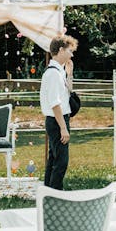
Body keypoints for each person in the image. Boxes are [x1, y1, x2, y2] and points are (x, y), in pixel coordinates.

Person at [40, 35, 77, 190]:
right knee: (61, 161)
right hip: (57, 120)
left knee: (54, 159)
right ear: (61, 50)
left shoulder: (58, 71)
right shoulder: (53, 74)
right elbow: (55, 103)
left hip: (57, 119)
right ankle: (55, 192)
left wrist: (70, 73)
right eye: (70, 51)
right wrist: (63, 127)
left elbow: (69, 92)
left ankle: (48, 191)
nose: (72, 55)